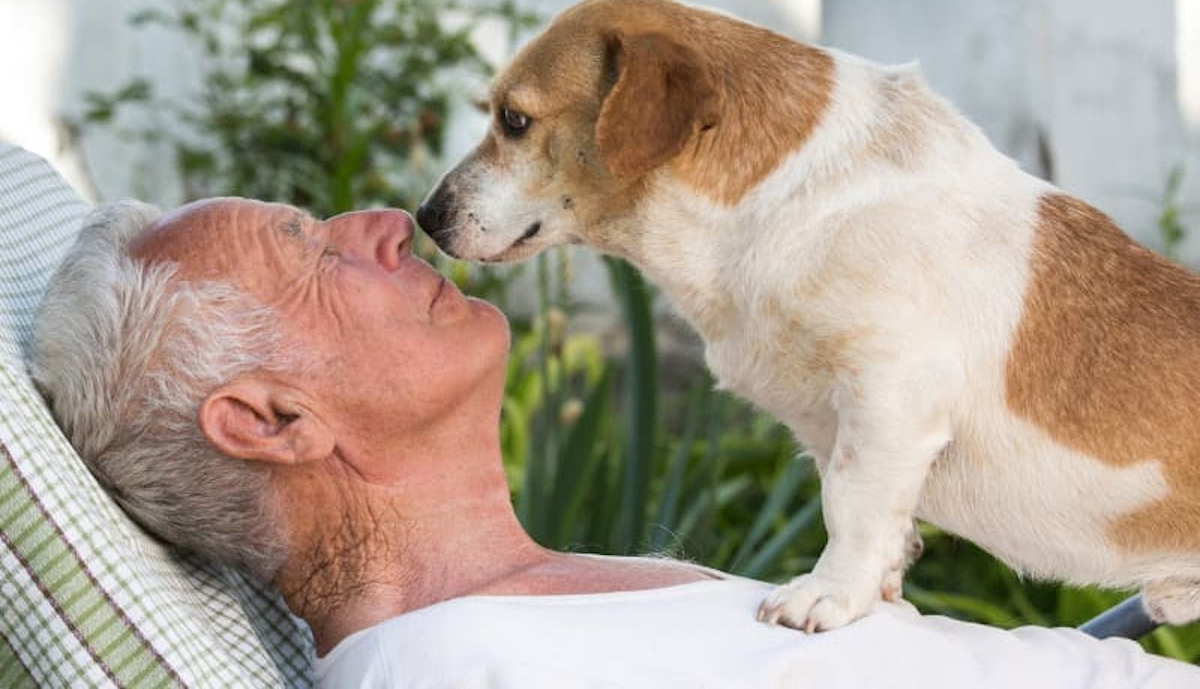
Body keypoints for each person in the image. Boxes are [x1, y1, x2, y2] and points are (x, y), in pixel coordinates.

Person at [29, 197, 1200, 688]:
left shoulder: (540, 612)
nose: (387, 225)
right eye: (312, 254)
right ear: (271, 423)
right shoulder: (458, 671)